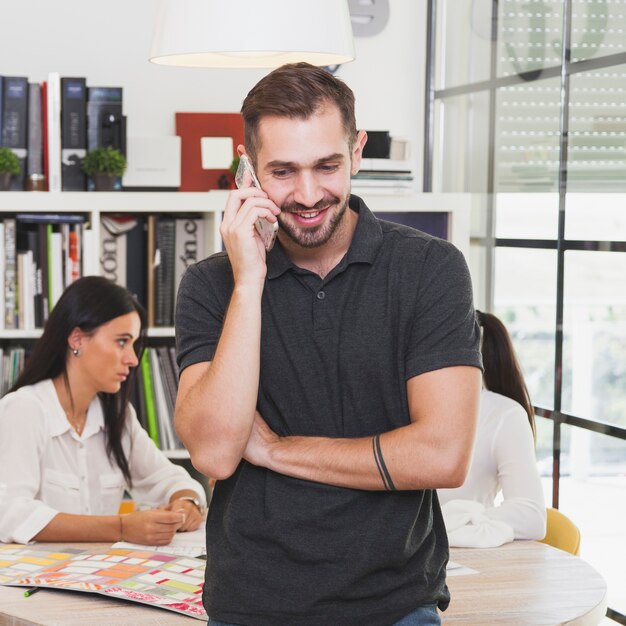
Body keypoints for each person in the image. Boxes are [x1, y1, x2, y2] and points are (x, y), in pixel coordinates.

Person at [175, 62, 483, 626]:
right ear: (247, 171)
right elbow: (216, 453)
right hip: (251, 606)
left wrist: (274, 450)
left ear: (357, 150)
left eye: (327, 165)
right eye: (284, 172)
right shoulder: (212, 285)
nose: (310, 194)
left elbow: (442, 454)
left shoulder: (430, 269)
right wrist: (249, 282)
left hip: (394, 607)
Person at [0, 276, 206, 546]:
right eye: (122, 341)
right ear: (77, 339)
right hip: (31, 585)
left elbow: (167, 478)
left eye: (132, 344)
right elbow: (10, 515)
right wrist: (120, 527)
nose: (132, 359)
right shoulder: (24, 410)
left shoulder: (118, 417)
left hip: (97, 579)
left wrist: (186, 502)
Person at [438, 311, 546, 547]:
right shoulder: (405, 404)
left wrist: (448, 522)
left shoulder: (504, 414)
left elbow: (532, 516)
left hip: (464, 558)